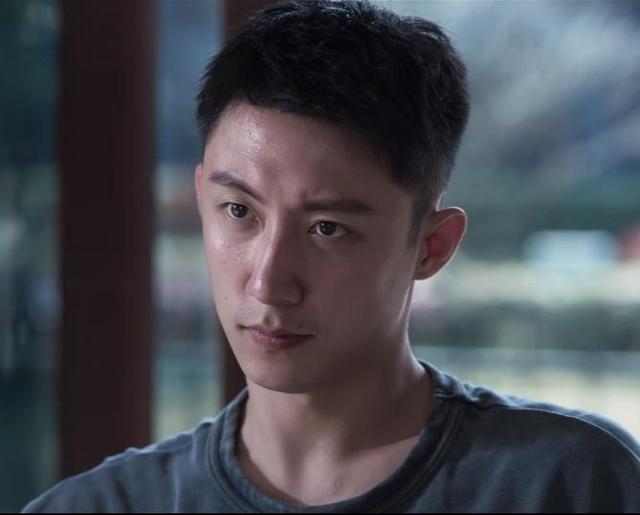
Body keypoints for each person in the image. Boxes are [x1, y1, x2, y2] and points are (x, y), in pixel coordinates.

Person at [24, 0, 640, 512]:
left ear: (432, 246)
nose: (268, 283)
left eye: (327, 228)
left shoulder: (567, 484)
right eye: (238, 211)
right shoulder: (99, 506)